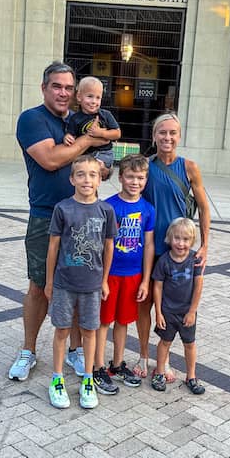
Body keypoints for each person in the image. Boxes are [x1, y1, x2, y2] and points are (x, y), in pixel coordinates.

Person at [10, 61, 109, 381]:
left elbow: (102, 167)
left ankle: (76, 350)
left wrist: (94, 156)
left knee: (81, 285)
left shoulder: (80, 120)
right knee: (39, 286)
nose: (63, 93)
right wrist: (88, 142)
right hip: (46, 215)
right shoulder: (32, 119)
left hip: (83, 215)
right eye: (57, 86)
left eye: (69, 87)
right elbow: (51, 159)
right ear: (44, 88)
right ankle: (28, 351)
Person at [135, 112, 211, 381]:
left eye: (172, 133)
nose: (167, 137)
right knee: (145, 305)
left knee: (172, 306)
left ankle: (163, 362)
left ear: (179, 136)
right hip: (150, 247)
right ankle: (144, 356)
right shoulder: (145, 166)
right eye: (162, 132)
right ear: (154, 136)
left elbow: (203, 207)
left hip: (179, 248)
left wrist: (204, 245)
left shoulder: (189, 167)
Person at [44, 155, 116, 409]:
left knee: (89, 331)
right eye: (81, 174)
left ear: (100, 179)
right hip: (64, 283)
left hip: (92, 285)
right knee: (62, 330)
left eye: (92, 175)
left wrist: (105, 280)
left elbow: (109, 248)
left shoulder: (106, 211)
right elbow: (53, 247)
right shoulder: (63, 209)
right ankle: (57, 378)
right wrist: (49, 281)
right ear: (72, 178)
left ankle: (87, 378)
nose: (87, 179)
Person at [93, 154, 155, 395]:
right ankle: (97, 366)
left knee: (123, 321)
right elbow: (100, 244)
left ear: (146, 180)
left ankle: (116, 364)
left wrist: (146, 280)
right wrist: (101, 278)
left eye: (140, 178)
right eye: (130, 177)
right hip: (110, 275)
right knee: (103, 321)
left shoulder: (147, 209)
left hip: (134, 275)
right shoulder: (109, 206)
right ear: (120, 177)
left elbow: (148, 245)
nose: (135, 182)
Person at [151, 218, 205, 395]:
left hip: (186, 313)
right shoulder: (164, 261)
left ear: (192, 240)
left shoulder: (195, 259)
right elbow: (157, 287)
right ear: (169, 238)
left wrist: (192, 311)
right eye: (177, 238)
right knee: (165, 342)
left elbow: (198, 286)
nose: (181, 243)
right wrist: (158, 312)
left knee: (189, 344)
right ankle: (159, 373)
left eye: (186, 239)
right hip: (167, 312)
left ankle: (191, 376)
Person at [64, 76, 121, 180]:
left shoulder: (105, 115)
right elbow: (71, 134)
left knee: (92, 171)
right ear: (79, 97)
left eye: (98, 97)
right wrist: (67, 137)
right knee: (82, 172)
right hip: (85, 154)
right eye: (90, 96)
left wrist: (101, 133)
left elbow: (117, 133)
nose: (94, 101)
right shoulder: (75, 118)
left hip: (104, 153)